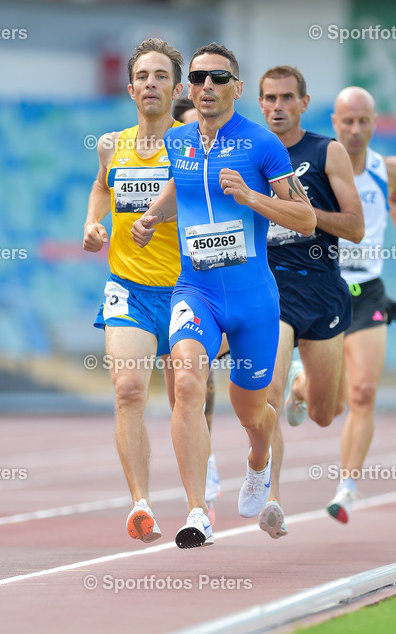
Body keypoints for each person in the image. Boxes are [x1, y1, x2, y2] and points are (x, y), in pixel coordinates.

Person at [132, 43, 316, 547]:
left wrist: (251, 196)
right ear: (186, 87)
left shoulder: (262, 146)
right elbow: (179, 190)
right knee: (187, 384)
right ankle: (197, 511)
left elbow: (306, 219)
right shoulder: (178, 141)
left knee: (251, 413)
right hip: (197, 290)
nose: (206, 86)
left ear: (237, 87)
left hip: (254, 300)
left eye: (218, 78)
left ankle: (258, 465)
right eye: (197, 78)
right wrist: (152, 215)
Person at [256, 65, 364, 539]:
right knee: (268, 392)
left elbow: (355, 227)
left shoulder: (327, 151)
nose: (277, 106)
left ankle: (305, 387)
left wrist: (302, 215)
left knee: (325, 411)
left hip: (321, 288)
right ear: (259, 103)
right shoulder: (249, 152)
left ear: (303, 102)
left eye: (286, 98)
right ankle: (272, 498)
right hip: (272, 286)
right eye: (268, 98)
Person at [83, 38, 184, 543]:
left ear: (177, 87)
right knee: (128, 392)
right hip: (128, 287)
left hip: (190, 289)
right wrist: (93, 223)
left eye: (160, 75)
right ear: (130, 88)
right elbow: (102, 185)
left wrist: (160, 215)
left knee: (195, 397)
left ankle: (204, 497)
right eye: (143, 76)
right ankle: (140, 504)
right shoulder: (111, 145)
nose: (151, 83)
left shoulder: (192, 144)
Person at [326, 86, 396, 523]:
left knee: (363, 393)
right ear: (334, 122)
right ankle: (301, 383)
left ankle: (346, 489)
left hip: (369, 291)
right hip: (324, 290)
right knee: (330, 403)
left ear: (375, 122)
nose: (356, 130)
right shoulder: (319, 167)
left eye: (364, 121)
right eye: (348, 121)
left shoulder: (390, 169)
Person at [174, 94, 225, 514]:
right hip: (156, 286)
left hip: (207, 286)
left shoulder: (225, 157)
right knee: (178, 388)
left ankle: (204, 475)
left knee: (198, 379)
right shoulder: (171, 157)